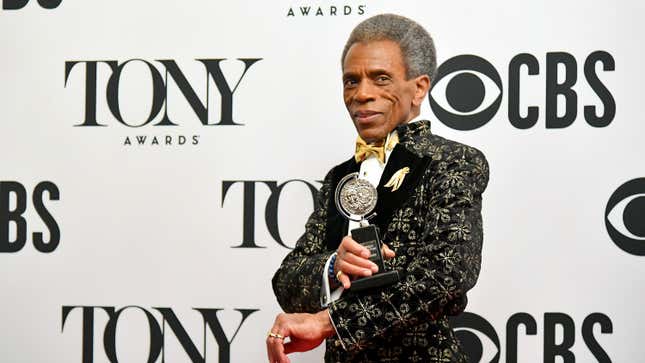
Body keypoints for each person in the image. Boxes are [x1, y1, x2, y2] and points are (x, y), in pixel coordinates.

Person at [267, 13, 489, 363]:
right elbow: (287, 281)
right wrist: (332, 266)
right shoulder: (339, 176)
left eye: (380, 78)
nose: (362, 94)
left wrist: (331, 323)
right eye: (351, 81)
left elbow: (445, 277)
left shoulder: (451, 162)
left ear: (419, 88)